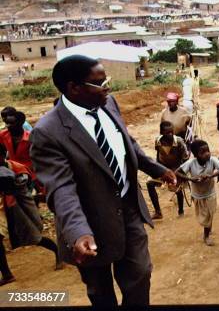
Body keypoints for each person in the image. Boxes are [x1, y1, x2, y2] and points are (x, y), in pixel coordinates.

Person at [29, 55, 176, 306]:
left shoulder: (109, 104)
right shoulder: (47, 132)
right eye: (99, 82)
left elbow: (126, 143)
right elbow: (62, 187)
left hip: (128, 208)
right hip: (89, 222)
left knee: (140, 275)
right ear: (74, 88)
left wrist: (156, 169)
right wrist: (78, 231)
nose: (107, 86)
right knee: (100, 292)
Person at [0, 144, 62, 286]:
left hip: (20, 207)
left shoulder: (17, 168)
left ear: (3, 155)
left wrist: (8, 181)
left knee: (34, 237)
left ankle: (57, 251)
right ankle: (7, 274)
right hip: (4, 207)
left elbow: (22, 184)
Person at [177, 140, 219, 246]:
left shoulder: (212, 160)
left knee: (210, 213)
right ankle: (208, 228)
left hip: (210, 193)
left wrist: (211, 176)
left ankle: (206, 236)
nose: (207, 154)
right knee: (205, 215)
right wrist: (190, 179)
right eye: (203, 152)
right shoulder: (191, 163)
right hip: (197, 195)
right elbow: (177, 172)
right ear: (196, 155)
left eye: (208, 151)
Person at [147, 121, 189, 220]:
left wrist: (180, 174)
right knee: (149, 183)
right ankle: (158, 212)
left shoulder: (179, 142)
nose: (170, 134)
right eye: (167, 132)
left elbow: (185, 159)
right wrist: (156, 169)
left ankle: (181, 211)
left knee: (177, 188)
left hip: (176, 169)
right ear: (161, 132)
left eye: (171, 132)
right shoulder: (158, 141)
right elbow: (158, 155)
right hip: (162, 168)